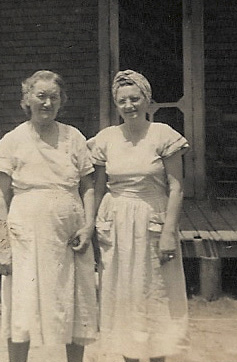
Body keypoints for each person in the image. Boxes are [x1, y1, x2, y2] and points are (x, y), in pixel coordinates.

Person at [0, 70, 98, 362]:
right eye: (41, 96)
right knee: (22, 308)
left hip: (70, 234)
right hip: (26, 236)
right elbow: (0, 196)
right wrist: (3, 246)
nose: (47, 103)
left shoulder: (73, 137)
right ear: (27, 99)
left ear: (62, 101)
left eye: (54, 97)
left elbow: (88, 186)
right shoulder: (12, 140)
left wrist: (89, 226)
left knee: (75, 303)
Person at [88, 70, 189, 362]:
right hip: (116, 222)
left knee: (156, 293)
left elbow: (177, 187)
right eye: (122, 101)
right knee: (123, 295)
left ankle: (158, 356)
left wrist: (169, 232)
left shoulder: (163, 135)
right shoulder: (107, 138)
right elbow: (97, 187)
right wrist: (92, 227)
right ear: (115, 104)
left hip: (153, 220)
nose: (129, 106)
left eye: (135, 99)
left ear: (148, 100)